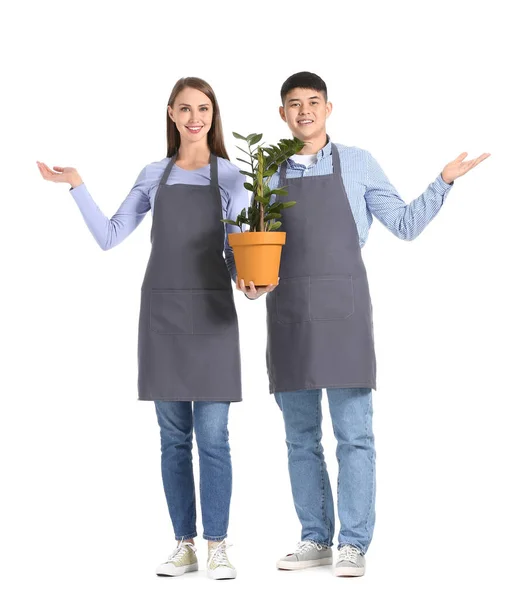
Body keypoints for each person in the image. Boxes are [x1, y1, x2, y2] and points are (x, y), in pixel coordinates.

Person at [239, 71, 490, 577]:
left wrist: (442, 182)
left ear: (329, 108)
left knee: (355, 436)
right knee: (299, 438)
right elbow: (256, 247)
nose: (304, 111)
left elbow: (403, 225)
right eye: (294, 104)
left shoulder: (356, 163)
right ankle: (315, 537)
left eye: (313, 102)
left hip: (345, 316)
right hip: (289, 318)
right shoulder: (267, 174)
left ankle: (353, 542)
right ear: (282, 115)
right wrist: (248, 280)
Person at [37, 77, 252, 580]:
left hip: (214, 315)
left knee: (214, 437)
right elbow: (111, 236)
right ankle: (184, 544)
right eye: (185, 109)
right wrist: (77, 186)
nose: (195, 117)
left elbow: (240, 248)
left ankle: (218, 543)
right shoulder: (153, 174)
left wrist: (252, 281)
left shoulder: (232, 177)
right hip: (161, 317)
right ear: (172, 115)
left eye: (203, 108)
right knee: (173, 438)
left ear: (213, 115)